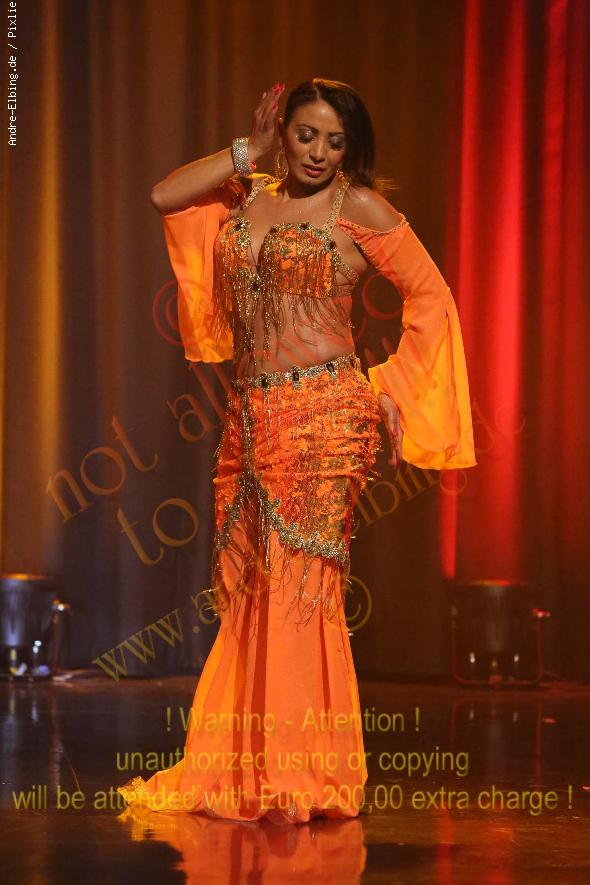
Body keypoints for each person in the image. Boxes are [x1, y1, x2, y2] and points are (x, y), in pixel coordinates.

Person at [117, 77, 477, 825]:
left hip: (323, 417)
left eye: (334, 142)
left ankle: (298, 772)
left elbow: (432, 296)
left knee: (297, 595)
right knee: (250, 593)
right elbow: (164, 196)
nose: (317, 152)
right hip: (248, 421)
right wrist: (249, 150)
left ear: (351, 150)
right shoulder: (252, 195)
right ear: (283, 132)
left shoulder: (359, 209)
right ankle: (246, 767)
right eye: (305, 134)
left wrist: (389, 388)